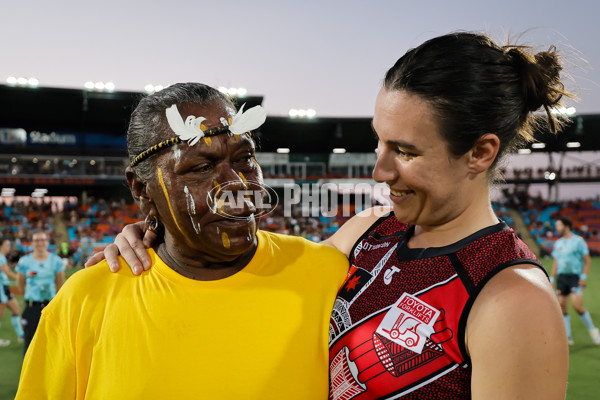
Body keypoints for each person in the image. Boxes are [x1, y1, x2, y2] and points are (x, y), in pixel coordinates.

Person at [92, 32, 570, 399]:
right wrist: (158, 229)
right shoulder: (367, 234)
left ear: (480, 153)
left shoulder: (512, 300)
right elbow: (255, 279)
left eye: (404, 151)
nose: (380, 171)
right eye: (379, 141)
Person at [16, 83, 349, 399]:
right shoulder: (83, 302)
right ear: (141, 190)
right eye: (202, 166)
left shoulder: (328, 275)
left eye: (244, 159)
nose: (234, 184)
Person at [550, 216, 600, 345]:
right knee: (562, 306)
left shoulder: (578, 241)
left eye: (558, 225)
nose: (556, 228)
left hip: (575, 278)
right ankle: (568, 337)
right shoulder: (558, 243)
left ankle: (594, 331)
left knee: (577, 306)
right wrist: (552, 278)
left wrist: (583, 278)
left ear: (566, 226)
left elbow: (587, 260)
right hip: (562, 278)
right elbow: (556, 262)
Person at [15, 230, 65, 354]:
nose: (40, 243)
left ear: (47, 242)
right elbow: (20, 284)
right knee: (29, 343)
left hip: (50, 307)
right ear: (32, 243)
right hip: (31, 307)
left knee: (53, 343)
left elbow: (60, 284)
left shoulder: (56, 261)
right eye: (36, 240)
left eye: (42, 240)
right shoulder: (24, 261)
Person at [0, 238, 25, 345]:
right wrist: (18, 278)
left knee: (16, 309)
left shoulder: (2, 258)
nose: (9, 247)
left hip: (5, 288)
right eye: (7, 244)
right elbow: (6, 271)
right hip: (1, 289)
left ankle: (21, 336)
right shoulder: (0, 257)